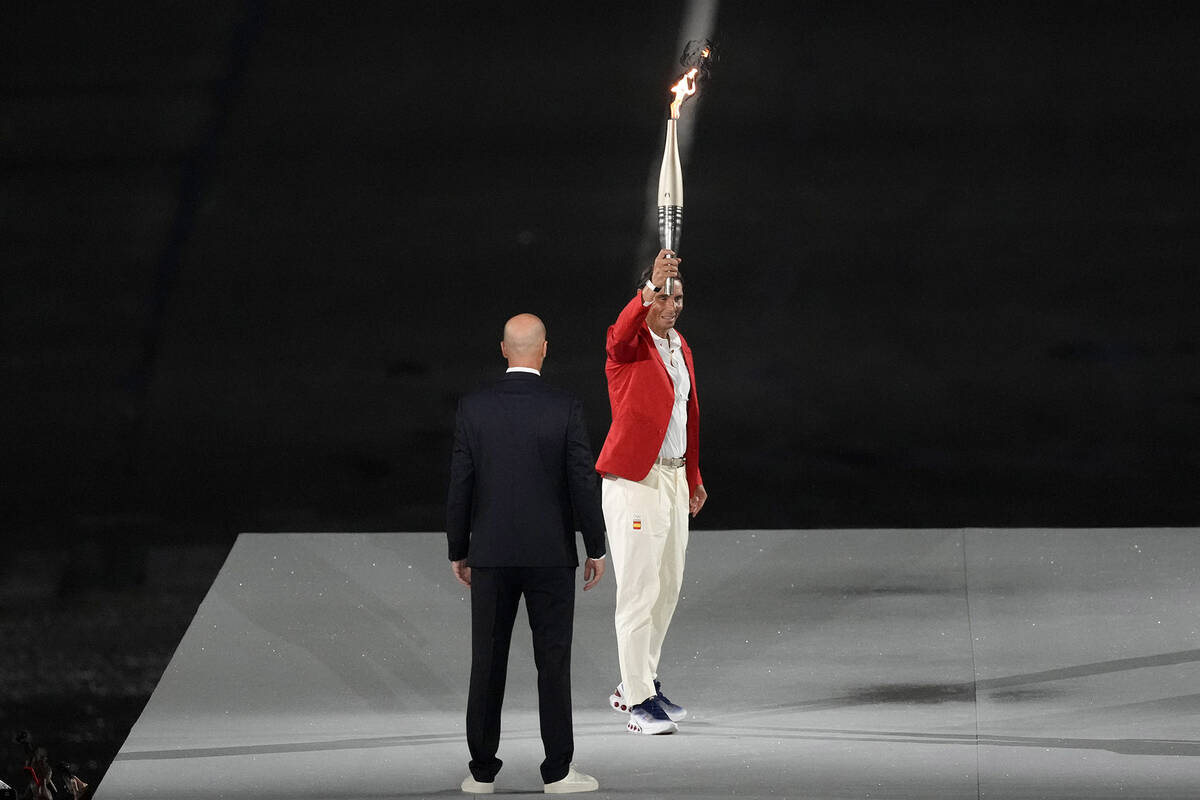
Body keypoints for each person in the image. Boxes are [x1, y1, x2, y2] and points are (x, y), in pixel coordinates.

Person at [447, 313, 607, 794]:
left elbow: (461, 484)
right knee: (552, 663)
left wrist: (460, 548)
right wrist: (594, 544)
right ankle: (558, 773)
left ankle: (480, 774)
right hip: (551, 555)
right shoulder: (565, 407)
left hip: (491, 554)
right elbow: (583, 480)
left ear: (503, 350)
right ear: (543, 349)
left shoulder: (474, 408)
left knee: (487, 660)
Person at [595, 248, 707, 735]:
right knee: (639, 593)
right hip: (635, 482)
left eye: (678, 296)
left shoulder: (680, 347)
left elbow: (687, 417)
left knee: (668, 587)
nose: (673, 303)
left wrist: (693, 476)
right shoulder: (628, 345)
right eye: (664, 294)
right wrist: (646, 289)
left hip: (673, 480)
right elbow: (620, 332)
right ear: (648, 297)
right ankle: (637, 701)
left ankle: (640, 682)